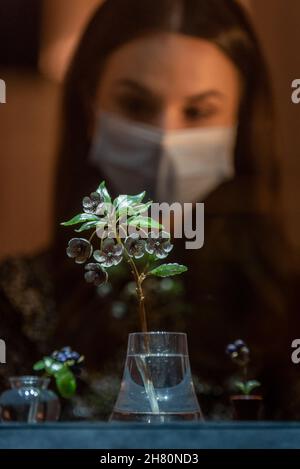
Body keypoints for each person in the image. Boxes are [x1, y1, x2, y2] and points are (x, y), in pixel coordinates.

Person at [0, 0, 299, 420]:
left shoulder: (288, 311)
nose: (164, 141)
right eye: (136, 106)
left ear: (240, 122)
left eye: (198, 112)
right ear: (90, 108)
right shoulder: (13, 305)